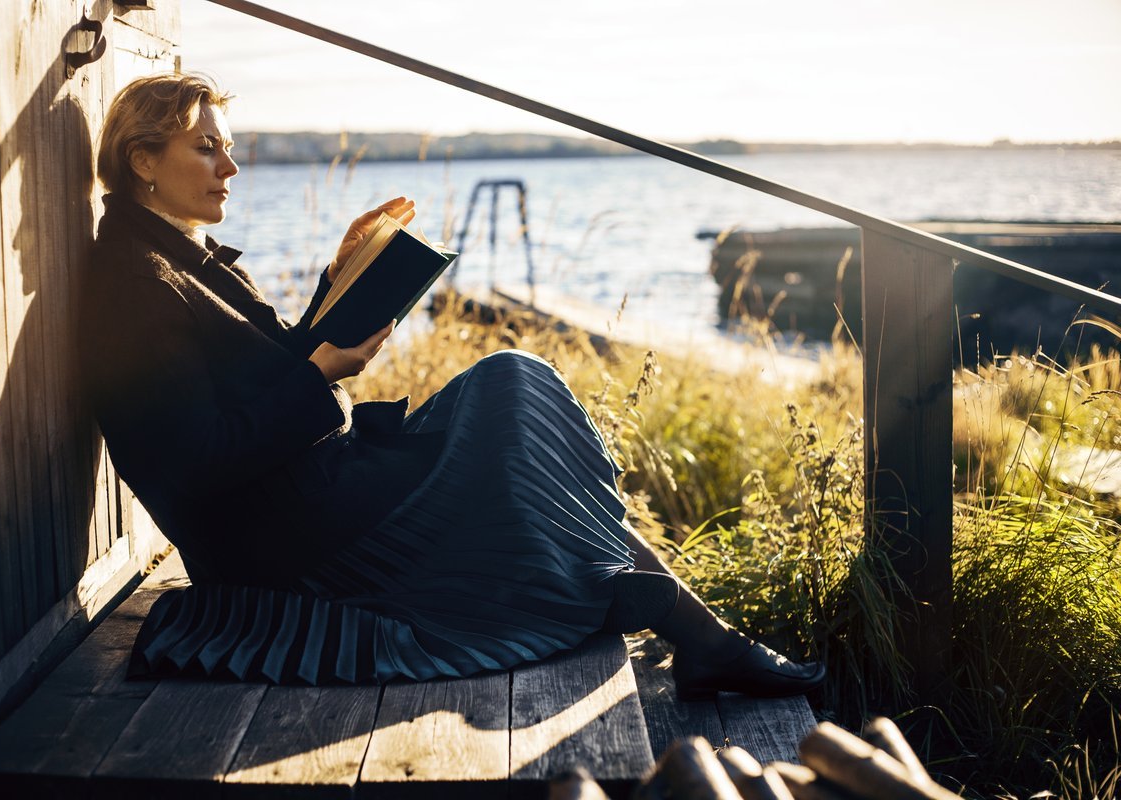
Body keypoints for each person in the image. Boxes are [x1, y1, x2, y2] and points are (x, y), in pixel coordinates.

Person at [81, 72, 824, 699]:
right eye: (206, 149)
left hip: (313, 486)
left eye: (230, 150)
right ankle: (695, 631)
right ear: (143, 160)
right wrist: (318, 374)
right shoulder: (133, 284)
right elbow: (196, 460)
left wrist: (341, 282)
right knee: (510, 394)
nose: (229, 169)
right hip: (286, 535)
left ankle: (695, 631)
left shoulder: (183, 255)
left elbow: (265, 369)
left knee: (512, 387)